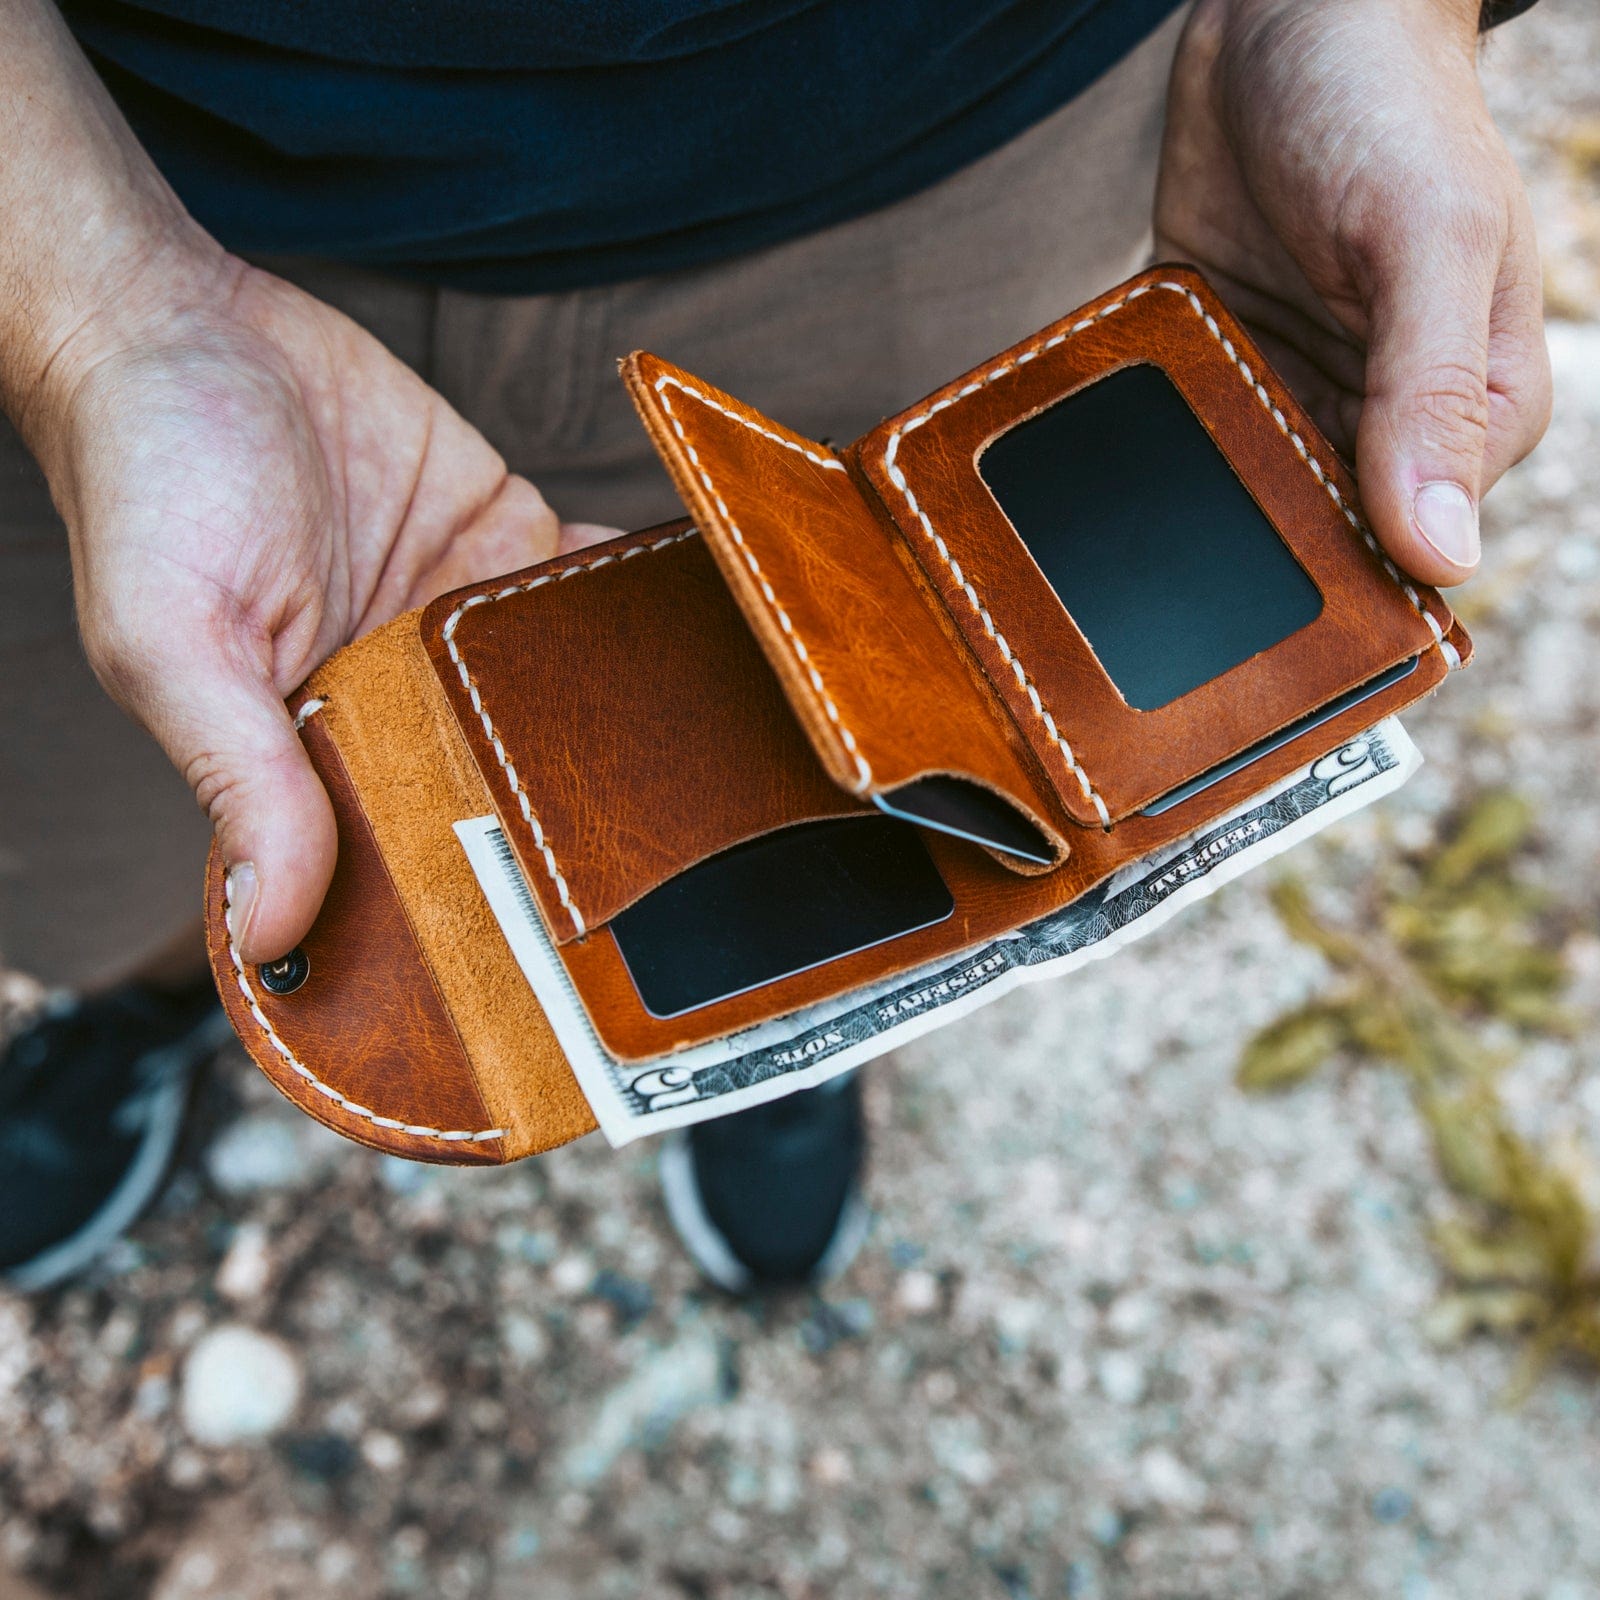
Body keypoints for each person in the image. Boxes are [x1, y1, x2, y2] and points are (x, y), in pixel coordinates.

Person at [0, 0, 1551, 1291]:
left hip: (957, 149)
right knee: (140, 831)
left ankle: (794, 1025)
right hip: (121, 167)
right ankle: (164, 1000)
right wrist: (91, 312)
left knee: (922, 739)